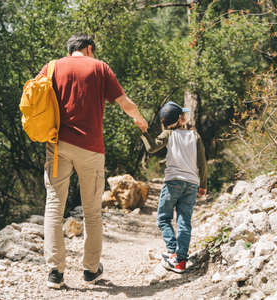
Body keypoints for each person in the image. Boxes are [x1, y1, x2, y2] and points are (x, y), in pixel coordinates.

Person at [40, 34, 148, 288]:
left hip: (58, 146)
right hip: (90, 149)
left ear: (70, 50)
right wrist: (139, 119)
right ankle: (90, 270)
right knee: (92, 211)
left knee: (54, 207)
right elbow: (124, 102)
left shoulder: (52, 67)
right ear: (88, 49)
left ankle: (55, 272)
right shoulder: (99, 67)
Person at [140, 101, 207, 273]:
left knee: (163, 218)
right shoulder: (195, 135)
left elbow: (152, 148)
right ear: (180, 118)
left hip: (173, 182)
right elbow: (202, 163)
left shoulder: (169, 134)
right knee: (184, 220)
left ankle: (172, 252)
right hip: (192, 183)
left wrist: (143, 132)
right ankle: (180, 260)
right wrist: (203, 184)